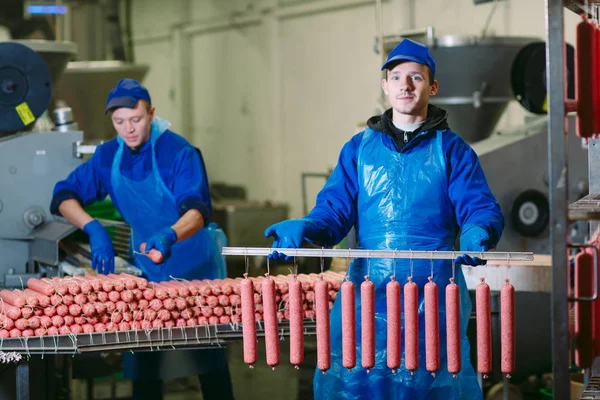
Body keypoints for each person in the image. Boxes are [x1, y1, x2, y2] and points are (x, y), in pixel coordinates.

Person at [264, 39, 504, 399]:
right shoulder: (358, 149)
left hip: (435, 302)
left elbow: (478, 205)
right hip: (367, 299)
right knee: (361, 382)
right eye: (396, 77)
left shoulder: (452, 150)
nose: (405, 85)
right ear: (385, 86)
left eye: (415, 78)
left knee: (432, 383)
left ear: (432, 86)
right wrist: (308, 227)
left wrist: (477, 230)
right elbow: (333, 212)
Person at [50, 78, 235, 400]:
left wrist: (171, 233)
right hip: (148, 268)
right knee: (145, 356)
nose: (128, 129)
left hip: (195, 268)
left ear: (151, 113)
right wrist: (93, 228)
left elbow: (197, 209)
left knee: (208, 358)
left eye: (135, 120)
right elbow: (64, 194)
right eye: (119, 122)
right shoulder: (109, 155)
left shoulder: (178, 152)